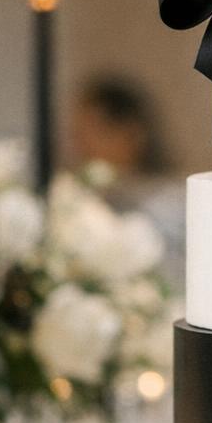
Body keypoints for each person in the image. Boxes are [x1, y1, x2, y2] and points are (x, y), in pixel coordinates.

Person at [68, 74, 184, 285]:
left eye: (93, 133)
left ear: (131, 133)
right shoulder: (83, 200)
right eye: (78, 135)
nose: (81, 147)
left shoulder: (170, 203)